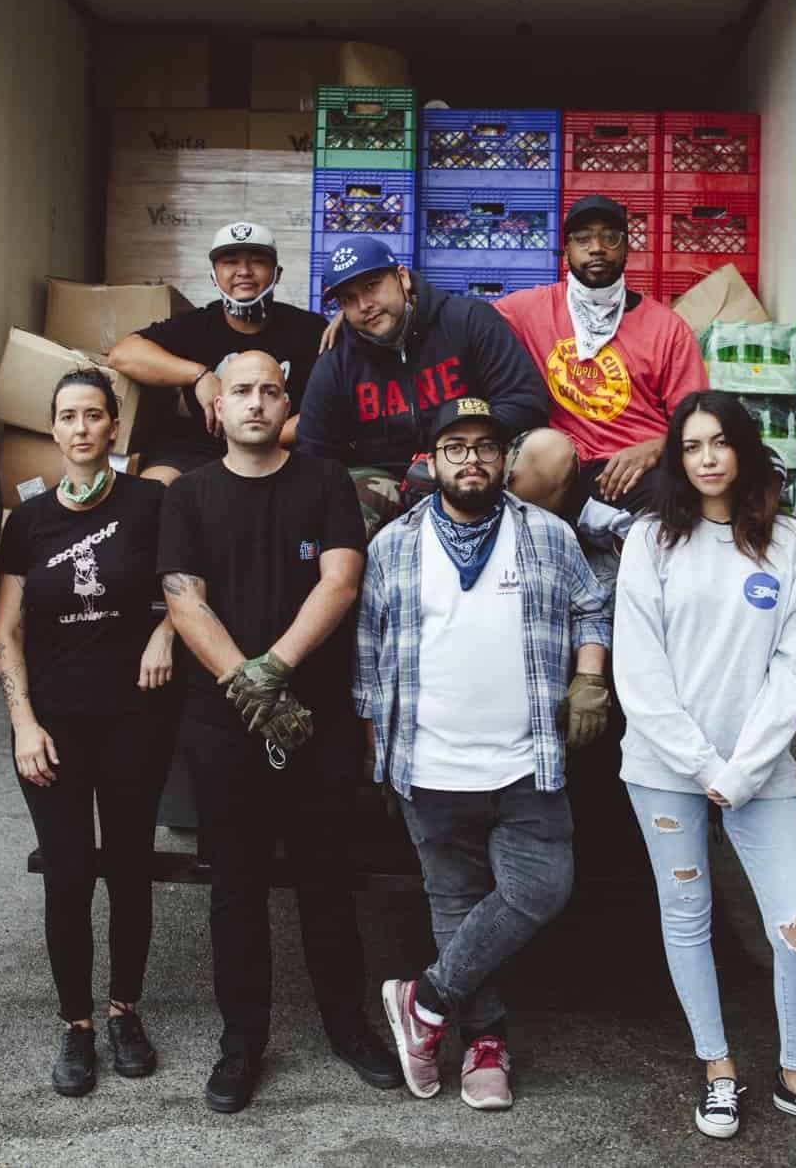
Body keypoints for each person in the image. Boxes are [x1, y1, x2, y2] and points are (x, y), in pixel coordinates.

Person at [613, 390, 796, 1142]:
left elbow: (795, 667)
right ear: (677, 457)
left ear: (744, 449)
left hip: (759, 770)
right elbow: (640, 672)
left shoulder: (788, 542)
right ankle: (718, 1070)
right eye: (691, 446)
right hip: (665, 768)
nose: (707, 458)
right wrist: (704, 765)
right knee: (687, 915)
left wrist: (744, 768)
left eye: (720, 442)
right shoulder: (652, 540)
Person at [156, 348, 403, 1112]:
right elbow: (184, 599)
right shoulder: (188, 494)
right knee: (235, 887)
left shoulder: (325, 481)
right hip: (222, 722)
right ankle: (242, 1042)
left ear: (287, 404)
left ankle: (348, 1026)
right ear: (218, 407)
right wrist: (245, 683)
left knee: (328, 878)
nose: (257, 402)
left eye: (270, 390)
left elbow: (342, 580)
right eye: (242, 390)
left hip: (315, 717)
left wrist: (275, 669)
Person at [357, 396, 612, 1111]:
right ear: (432, 460)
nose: (472, 459)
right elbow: (369, 649)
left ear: (506, 459)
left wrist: (590, 676)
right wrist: (378, 748)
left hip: (526, 759)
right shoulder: (395, 544)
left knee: (541, 887)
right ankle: (485, 1041)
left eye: (486, 447)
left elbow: (591, 606)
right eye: (456, 447)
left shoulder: (548, 535)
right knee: (455, 904)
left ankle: (424, 1000)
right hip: (429, 763)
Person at [0, 368, 176, 1098]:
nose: (80, 428)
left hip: (135, 720)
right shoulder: (29, 522)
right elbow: (7, 630)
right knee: (68, 875)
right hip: (54, 728)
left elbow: (189, 588)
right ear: (53, 428)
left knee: (129, 869)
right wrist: (22, 723)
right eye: (67, 416)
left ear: (113, 427)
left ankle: (125, 1010)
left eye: (94, 415)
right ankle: (76, 1024)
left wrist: (165, 632)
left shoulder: (150, 503)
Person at [297, 235, 550, 533]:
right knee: (327, 498)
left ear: (402, 278)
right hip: (392, 482)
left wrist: (452, 451)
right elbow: (313, 451)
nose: (364, 305)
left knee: (549, 450)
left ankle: (518, 549)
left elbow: (525, 401)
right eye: (348, 299)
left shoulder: (467, 319)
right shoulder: (337, 361)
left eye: (372, 286)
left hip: (475, 460)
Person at [494, 194, 709, 543]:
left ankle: (619, 543)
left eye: (610, 237)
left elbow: (697, 420)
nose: (596, 248)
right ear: (566, 250)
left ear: (626, 248)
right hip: (570, 466)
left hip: (639, 467)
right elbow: (467, 325)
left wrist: (655, 448)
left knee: (687, 502)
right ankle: (542, 548)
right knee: (544, 451)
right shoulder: (529, 309)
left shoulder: (667, 328)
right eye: (583, 239)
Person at [108, 221, 329, 484]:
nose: (244, 271)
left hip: (281, 443)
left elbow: (330, 405)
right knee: (154, 489)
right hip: (205, 446)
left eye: (257, 261)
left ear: (277, 273)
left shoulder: (309, 329)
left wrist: (255, 436)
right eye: (230, 262)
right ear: (213, 274)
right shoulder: (197, 325)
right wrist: (199, 375)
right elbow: (123, 354)